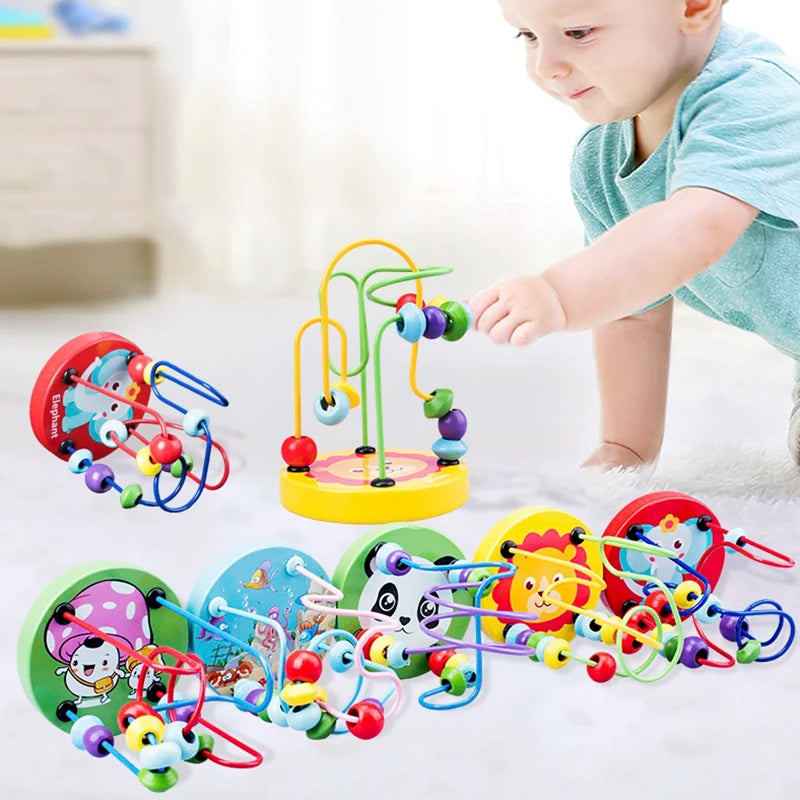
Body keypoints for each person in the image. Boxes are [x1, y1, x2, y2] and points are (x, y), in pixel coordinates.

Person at [469, 0, 800, 470]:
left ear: (693, 6)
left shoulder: (754, 95)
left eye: (579, 32)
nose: (546, 66)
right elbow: (630, 310)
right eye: (528, 36)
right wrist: (626, 448)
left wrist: (559, 294)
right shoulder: (600, 163)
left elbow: (696, 227)